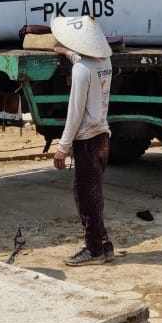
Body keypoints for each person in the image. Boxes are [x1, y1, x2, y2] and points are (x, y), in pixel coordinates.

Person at [51, 14, 115, 266]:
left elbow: (74, 113)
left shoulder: (80, 71)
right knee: (93, 194)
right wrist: (68, 53)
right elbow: (85, 61)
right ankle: (104, 244)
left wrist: (62, 147)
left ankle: (94, 250)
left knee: (86, 197)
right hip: (102, 136)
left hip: (86, 140)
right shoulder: (105, 60)